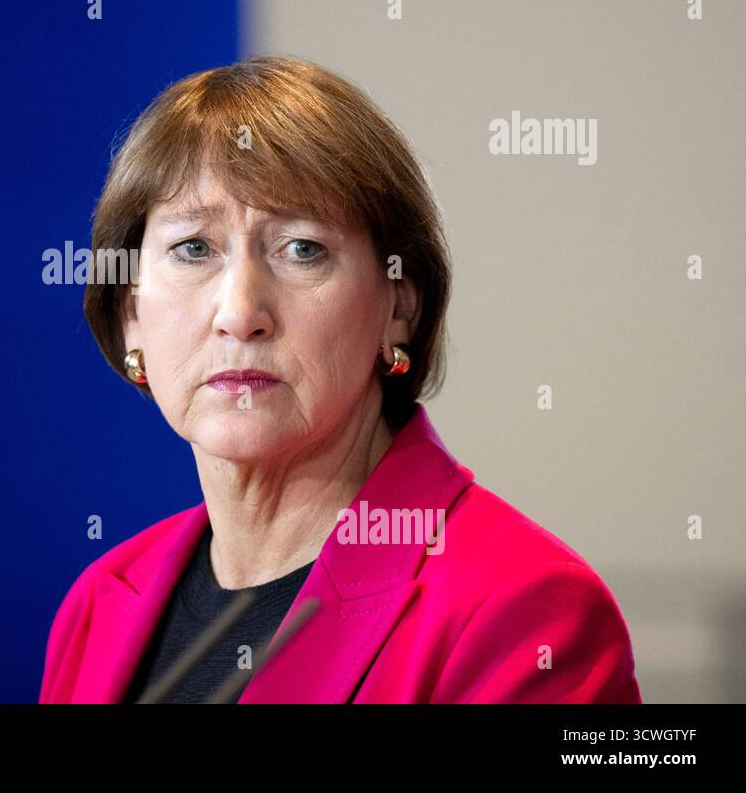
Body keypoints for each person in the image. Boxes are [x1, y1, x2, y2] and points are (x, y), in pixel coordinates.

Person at [39, 54, 641, 703]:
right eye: (193, 249)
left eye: (303, 249)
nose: (240, 313)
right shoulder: (98, 605)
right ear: (131, 314)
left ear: (398, 308)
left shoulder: (521, 613)